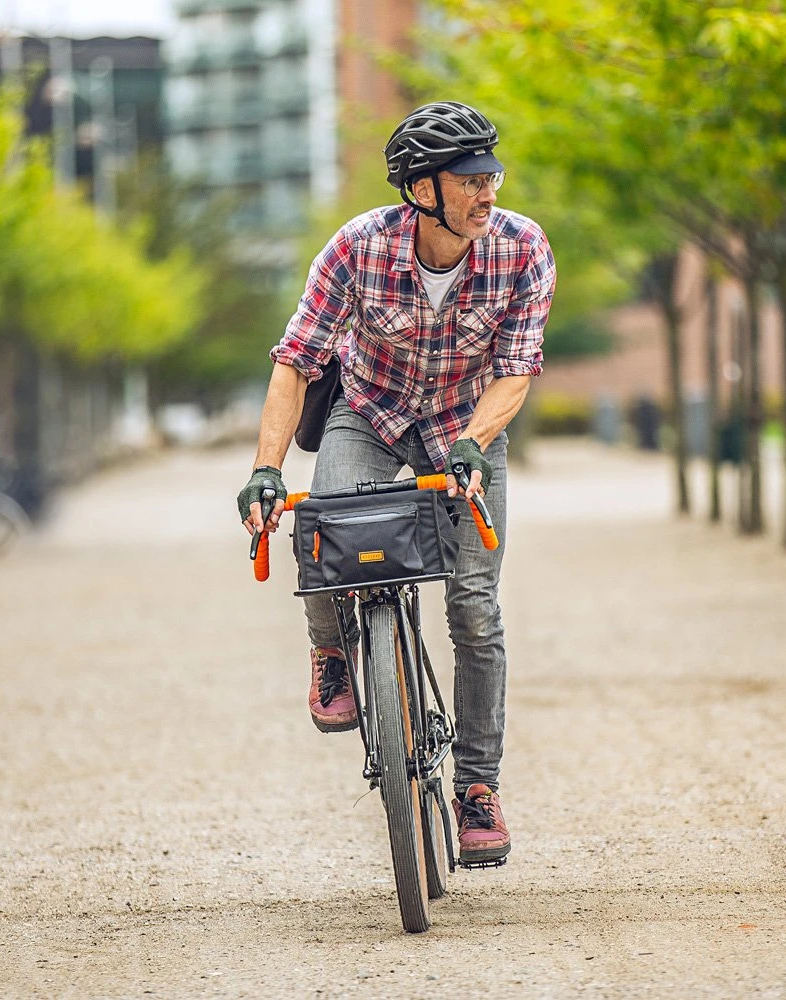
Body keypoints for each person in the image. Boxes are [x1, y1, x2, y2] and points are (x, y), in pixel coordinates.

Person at [237, 101, 555, 865]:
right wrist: (266, 468)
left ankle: (477, 788)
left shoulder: (522, 249)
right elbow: (297, 361)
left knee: (475, 610)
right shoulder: (357, 247)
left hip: (466, 426)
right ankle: (335, 651)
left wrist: (475, 445)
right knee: (324, 537)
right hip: (368, 410)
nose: (488, 193)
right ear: (422, 191)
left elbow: (515, 373)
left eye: (492, 176)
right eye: (470, 180)